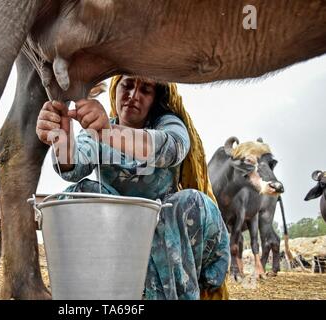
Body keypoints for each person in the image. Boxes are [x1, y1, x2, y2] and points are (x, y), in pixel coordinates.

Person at [35, 75, 230, 300]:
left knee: (190, 202)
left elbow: (170, 148)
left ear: (155, 98)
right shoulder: (96, 129)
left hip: (165, 233)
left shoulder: (167, 124)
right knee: (79, 193)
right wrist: (61, 134)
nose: (133, 96)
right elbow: (73, 165)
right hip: (115, 231)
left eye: (145, 90)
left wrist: (108, 133)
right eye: (127, 86)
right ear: (116, 90)